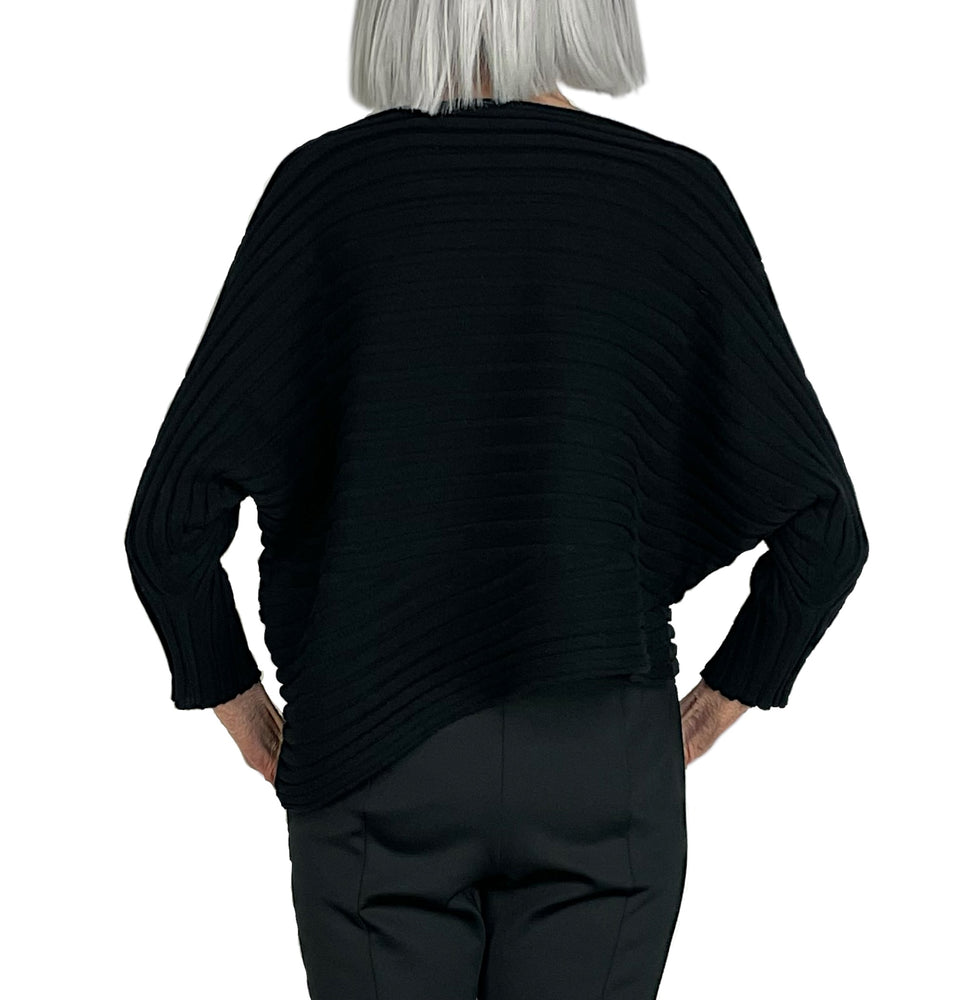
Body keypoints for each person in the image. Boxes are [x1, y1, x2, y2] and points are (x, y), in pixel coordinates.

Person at [123, 1, 869, 997]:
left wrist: (236, 699)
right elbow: (825, 529)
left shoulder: (327, 191)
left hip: (373, 747)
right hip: (602, 750)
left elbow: (169, 522)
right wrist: (715, 704)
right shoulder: (672, 195)